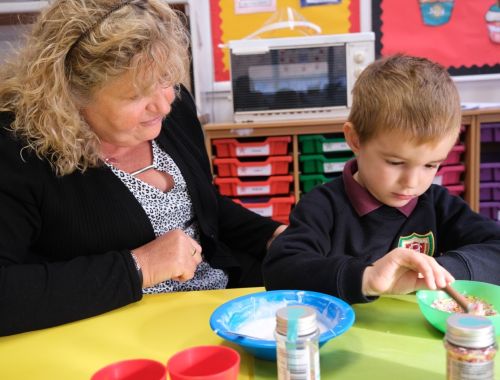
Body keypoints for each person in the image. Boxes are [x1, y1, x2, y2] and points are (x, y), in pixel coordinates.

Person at [0, 0, 286, 336]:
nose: (164, 103)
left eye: (165, 78)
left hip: (214, 305)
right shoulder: (17, 150)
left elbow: (204, 207)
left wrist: (272, 236)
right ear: (68, 95)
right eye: (136, 95)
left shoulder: (173, 109)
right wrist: (140, 267)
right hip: (114, 333)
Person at [263, 54, 500, 304]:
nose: (412, 182)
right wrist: (367, 278)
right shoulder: (322, 207)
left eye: (431, 165)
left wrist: (440, 269)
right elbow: (279, 270)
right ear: (355, 140)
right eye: (395, 163)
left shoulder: (438, 205)